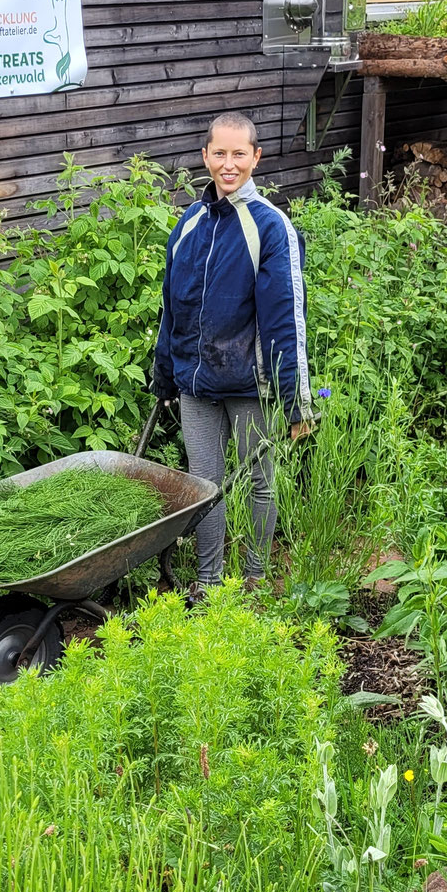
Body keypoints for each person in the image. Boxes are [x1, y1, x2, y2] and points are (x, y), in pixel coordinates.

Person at [151, 110, 311, 593]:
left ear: (256, 158)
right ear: (205, 156)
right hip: (197, 384)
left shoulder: (270, 226)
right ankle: (208, 584)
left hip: (249, 383)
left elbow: (287, 318)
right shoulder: (190, 223)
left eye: (238, 153)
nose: (228, 163)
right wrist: (165, 374)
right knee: (203, 488)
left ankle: (257, 579)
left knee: (260, 481)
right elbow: (171, 307)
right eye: (219, 153)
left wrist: (295, 401)